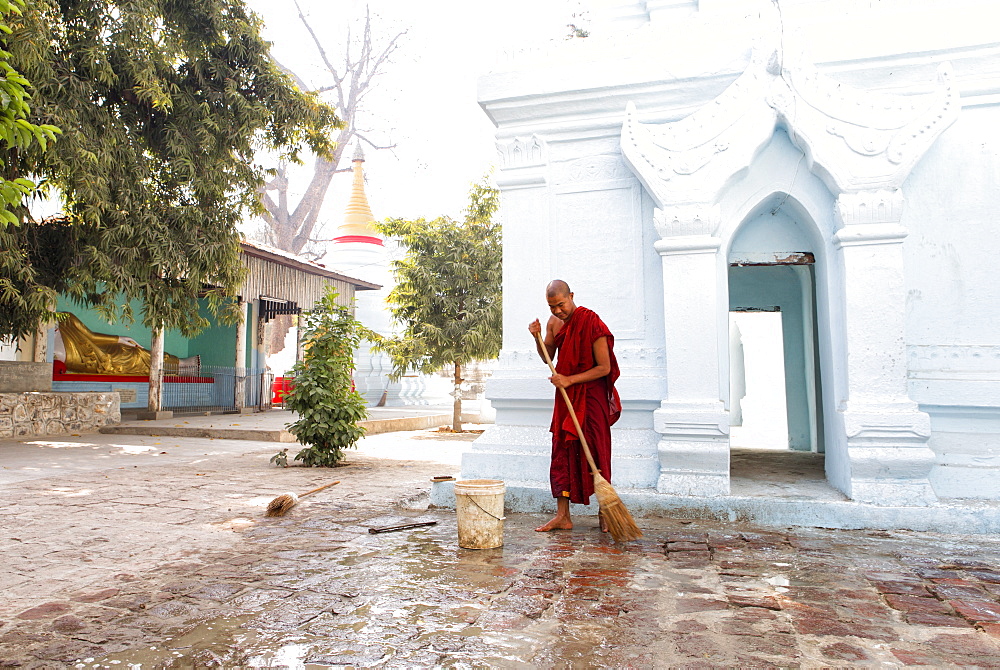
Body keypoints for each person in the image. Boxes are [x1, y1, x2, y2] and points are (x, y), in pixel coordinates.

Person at [528, 280, 621, 532]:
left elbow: (604, 368)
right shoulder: (553, 323)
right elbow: (547, 354)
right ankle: (563, 516)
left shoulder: (591, 321)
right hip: (565, 395)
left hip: (591, 397)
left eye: (561, 304)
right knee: (562, 450)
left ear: (571, 296)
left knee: (597, 450)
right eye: (552, 307)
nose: (558, 311)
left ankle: (605, 512)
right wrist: (537, 338)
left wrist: (569, 379)